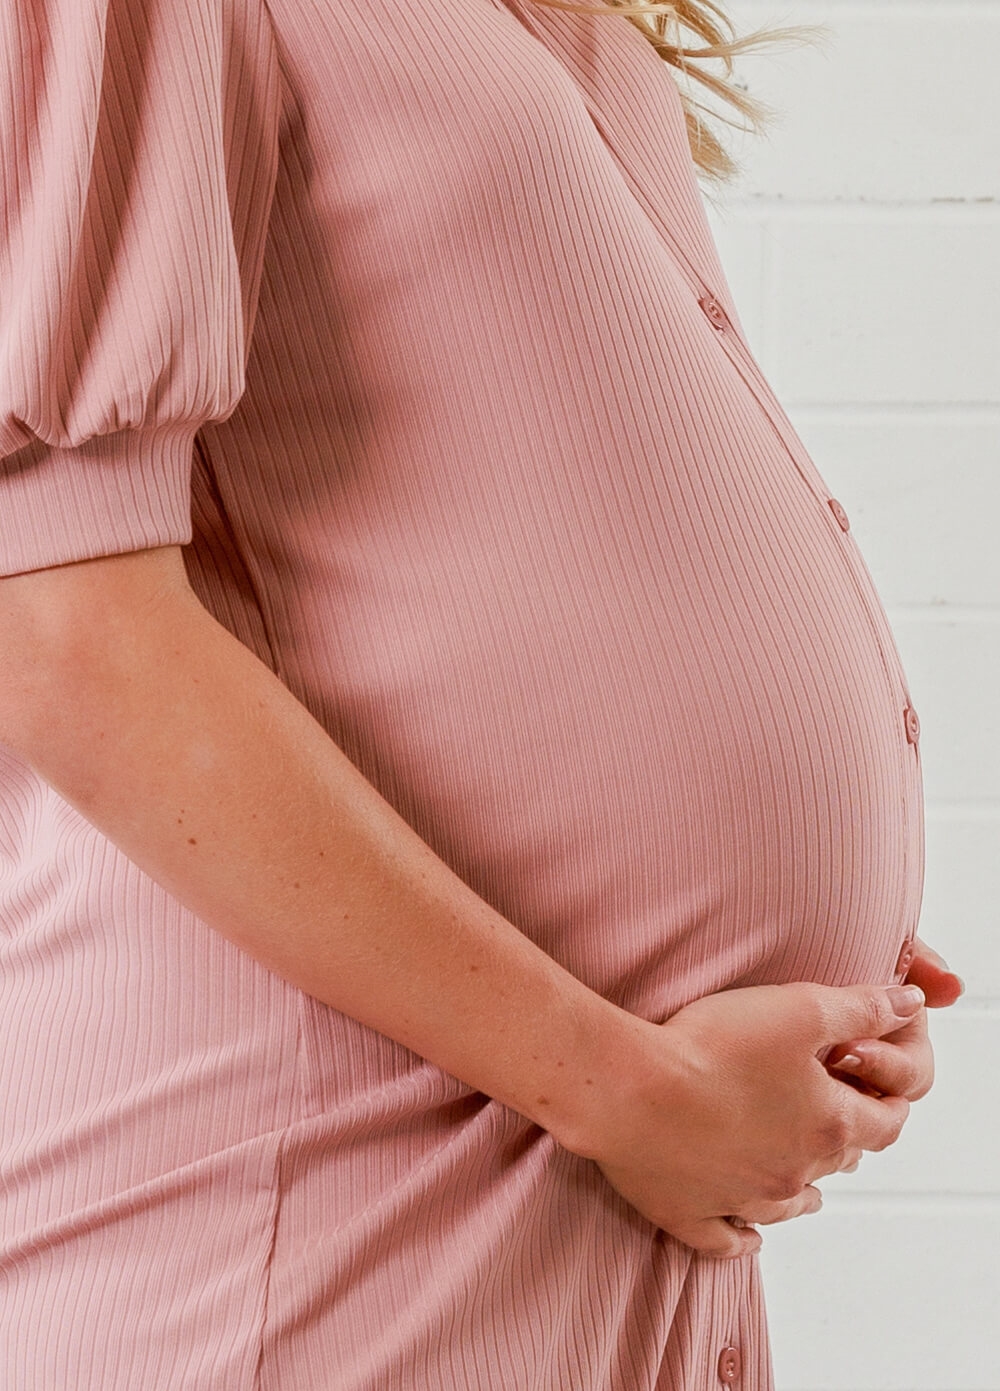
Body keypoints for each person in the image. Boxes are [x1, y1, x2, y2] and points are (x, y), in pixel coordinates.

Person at [0, 0, 964, 1386]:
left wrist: (801, 970)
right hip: (334, 1177)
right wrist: (623, 1087)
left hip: (586, 1180)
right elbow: (61, 631)